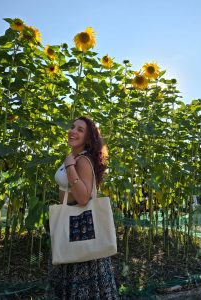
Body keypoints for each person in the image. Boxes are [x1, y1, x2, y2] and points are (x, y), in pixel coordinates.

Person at [50, 116, 118, 299]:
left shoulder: (82, 161)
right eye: (73, 127)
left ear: (88, 138)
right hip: (75, 225)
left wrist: (70, 167)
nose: (73, 131)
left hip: (79, 227)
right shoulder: (75, 157)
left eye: (80, 130)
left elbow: (82, 198)